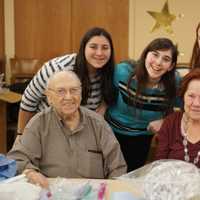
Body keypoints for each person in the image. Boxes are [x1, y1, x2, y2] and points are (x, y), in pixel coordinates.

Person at [7, 71, 127, 188]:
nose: (68, 97)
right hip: (50, 193)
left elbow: (118, 168)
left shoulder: (98, 124)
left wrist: (111, 192)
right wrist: (30, 173)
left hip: (92, 194)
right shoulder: (38, 124)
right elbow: (17, 159)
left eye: (74, 90)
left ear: (81, 94)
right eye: (61, 91)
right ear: (49, 97)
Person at [17, 27, 116, 135]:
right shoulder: (57, 68)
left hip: (80, 134)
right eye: (93, 47)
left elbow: (106, 100)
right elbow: (28, 100)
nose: (99, 53)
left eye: (105, 48)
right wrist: (20, 135)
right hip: (46, 132)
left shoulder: (109, 72)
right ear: (84, 48)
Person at [105, 38, 180, 171]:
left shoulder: (175, 82)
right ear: (145, 55)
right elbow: (103, 95)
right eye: (155, 54)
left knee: (130, 178)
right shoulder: (122, 71)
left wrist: (165, 121)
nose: (158, 62)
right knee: (106, 176)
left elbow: (188, 110)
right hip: (111, 133)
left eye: (166, 59)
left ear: (171, 66)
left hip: (142, 138)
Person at [154, 68, 200, 168]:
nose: (196, 103)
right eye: (191, 96)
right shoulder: (171, 122)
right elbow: (159, 165)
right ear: (183, 96)